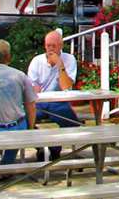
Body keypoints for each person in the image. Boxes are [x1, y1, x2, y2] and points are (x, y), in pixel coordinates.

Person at [27, 29, 81, 160]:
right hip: (39, 103)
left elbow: (65, 86)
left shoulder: (69, 59)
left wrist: (60, 65)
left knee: (72, 124)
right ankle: (42, 146)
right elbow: (31, 87)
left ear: (61, 46)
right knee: (23, 121)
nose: (50, 49)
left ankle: (54, 148)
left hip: (59, 102)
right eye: (48, 46)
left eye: (53, 46)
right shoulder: (36, 61)